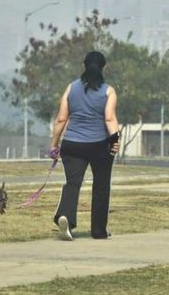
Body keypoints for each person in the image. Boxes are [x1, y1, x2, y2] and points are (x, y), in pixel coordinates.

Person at [49, 50, 120, 241]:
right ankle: (99, 231)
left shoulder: (71, 88)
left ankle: (66, 217)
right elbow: (109, 118)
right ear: (103, 67)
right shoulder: (108, 91)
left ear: (84, 66)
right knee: (101, 185)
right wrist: (115, 141)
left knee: (73, 183)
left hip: (72, 145)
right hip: (100, 146)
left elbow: (61, 119)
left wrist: (54, 145)